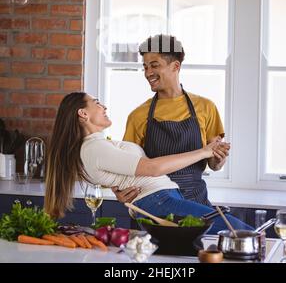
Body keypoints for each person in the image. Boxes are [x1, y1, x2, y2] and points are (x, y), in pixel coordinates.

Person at [44, 91, 252, 235]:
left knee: (231, 236)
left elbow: (122, 175)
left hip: (163, 200)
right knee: (243, 234)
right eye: (96, 102)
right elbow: (151, 168)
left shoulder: (97, 146)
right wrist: (204, 151)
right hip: (159, 202)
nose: (104, 106)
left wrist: (212, 155)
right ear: (83, 113)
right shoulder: (94, 148)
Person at [113, 34, 228, 207]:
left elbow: (214, 164)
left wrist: (219, 159)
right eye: (145, 67)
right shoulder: (138, 115)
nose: (147, 73)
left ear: (175, 66)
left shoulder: (206, 107)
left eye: (154, 66)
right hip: (155, 207)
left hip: (197, 202)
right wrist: (120, 193)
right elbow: (126, 169)